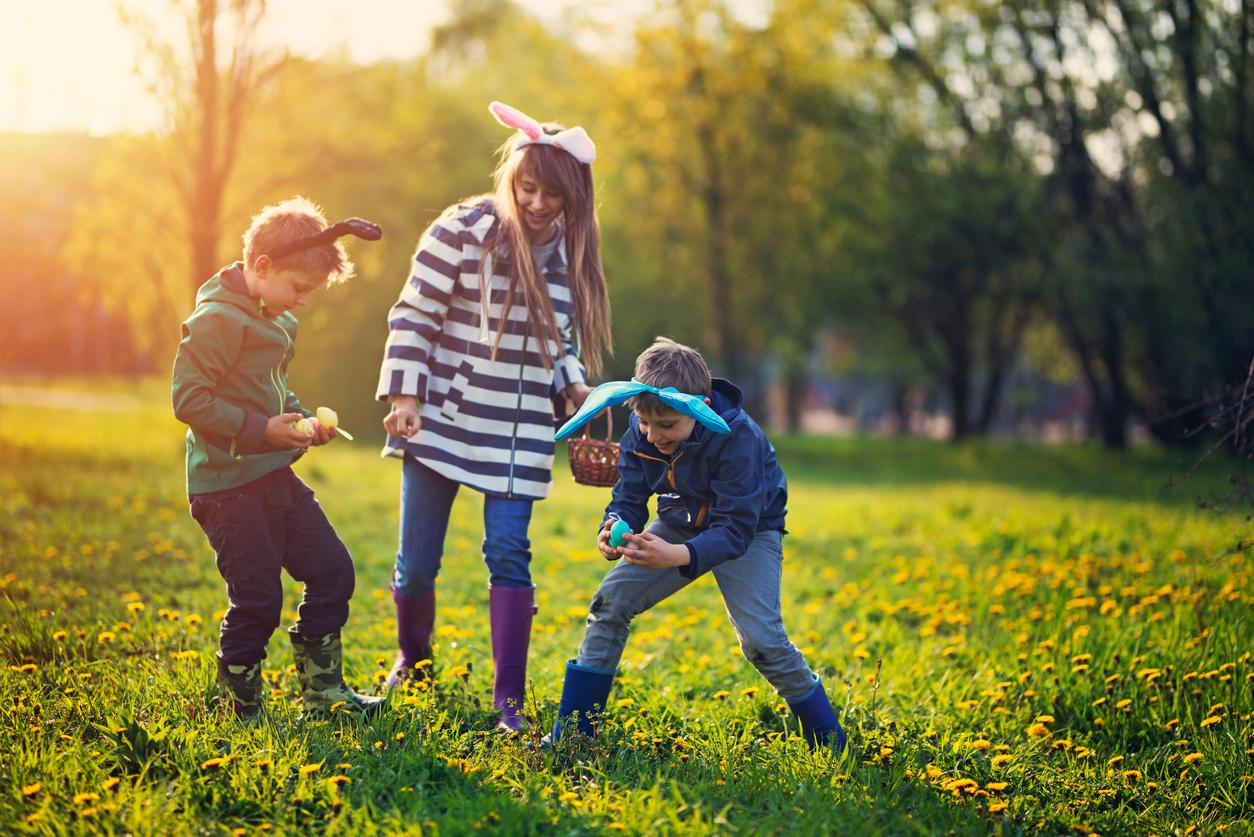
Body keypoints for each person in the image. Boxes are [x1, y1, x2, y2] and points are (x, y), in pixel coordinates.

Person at [376, 101, 611, 732]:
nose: (536, 203)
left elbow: (559, 341)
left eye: (551, 194)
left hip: (517, 427)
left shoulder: (567, 252)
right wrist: (406, 397)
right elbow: (414, 315)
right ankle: (413, 658)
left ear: (572, 198)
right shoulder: (462, 229)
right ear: (511, 176)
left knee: (510, 552)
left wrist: (575, 388)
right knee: (417, 560)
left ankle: (509, 699)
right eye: (528, 187)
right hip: (442, 421)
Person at [547, 338, 846, 751]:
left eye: (666, 425)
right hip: (679, 519)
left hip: (749, 531)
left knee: (761, 642)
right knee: (608, 605)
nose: (652, 436)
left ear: (700, 406)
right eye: (645, 424)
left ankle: (830, 741)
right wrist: (614, 524)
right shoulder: (642, 430)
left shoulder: (738, 437)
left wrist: (677, 555)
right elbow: (629, 496)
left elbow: (736, 527)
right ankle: (574, 737)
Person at [172, 197, 384, 720]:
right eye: (299, 289)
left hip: (273, 477)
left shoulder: (276, 317)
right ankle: (235, 701)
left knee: (333, 571)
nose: (303, 302)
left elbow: (272, 389)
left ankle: (322, 691)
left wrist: (300, 421)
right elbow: (189, 399)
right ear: (261, 267)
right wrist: (257, 430)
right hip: (226, 488)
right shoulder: (217, 320)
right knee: (258, 597)